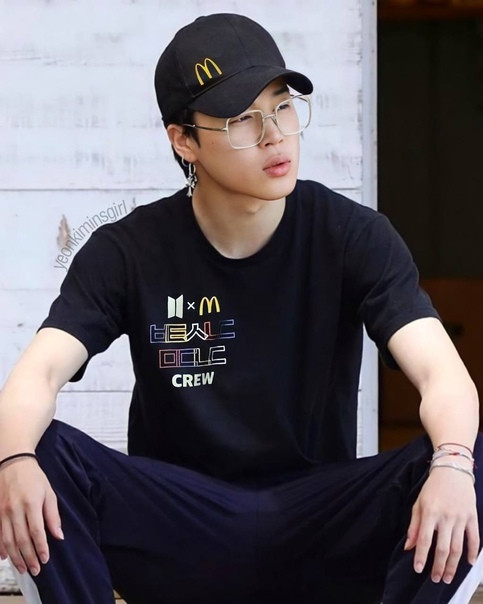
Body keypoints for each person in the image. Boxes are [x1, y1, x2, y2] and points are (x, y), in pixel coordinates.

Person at [0, 12, 481, 604]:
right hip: (181, 531)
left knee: (465, 453)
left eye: (282, 107)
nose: (274, 135)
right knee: (38, 452)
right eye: (240, 120)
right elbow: (37, 374)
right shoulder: (128, 251)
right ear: (184, 140)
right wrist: (14, 459)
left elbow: (441, 375)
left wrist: (453, 464)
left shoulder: (351, 235)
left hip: (318, 526)